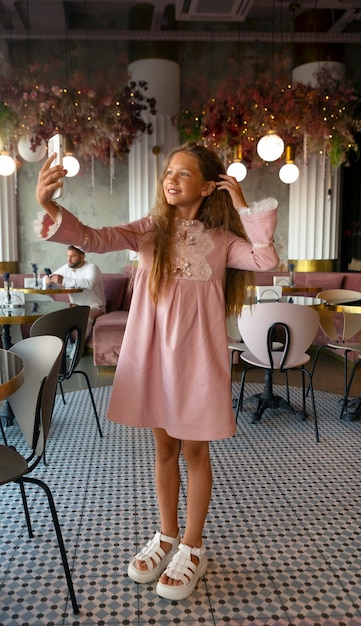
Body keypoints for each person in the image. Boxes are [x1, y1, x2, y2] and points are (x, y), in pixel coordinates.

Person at [35, 141, 279, 601]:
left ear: (209, 187)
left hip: (198, 361)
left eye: (184, 174)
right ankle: (167, 535)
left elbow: (266, 260)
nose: (171, 178)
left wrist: (244, 204)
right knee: (164, 447)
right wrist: (49, 205)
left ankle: (192, 545)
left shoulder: (223, 242)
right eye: (169, 171)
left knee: (195, 452)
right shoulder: (149, 231)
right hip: (154, 358)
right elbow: (94, 237)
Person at [45, 245, 106, 338]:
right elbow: (49, 277)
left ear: (82, 256)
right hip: (75, 306)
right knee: (56, 317)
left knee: (85, 317)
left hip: (95, 306)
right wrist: (47, 279)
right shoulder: (66, 268)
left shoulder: (92, 268)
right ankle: (64, 346)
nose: (68, 260)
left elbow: (90, 284)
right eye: (67, 256)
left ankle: (77, 350)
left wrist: (63, 280)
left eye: (72, 256)